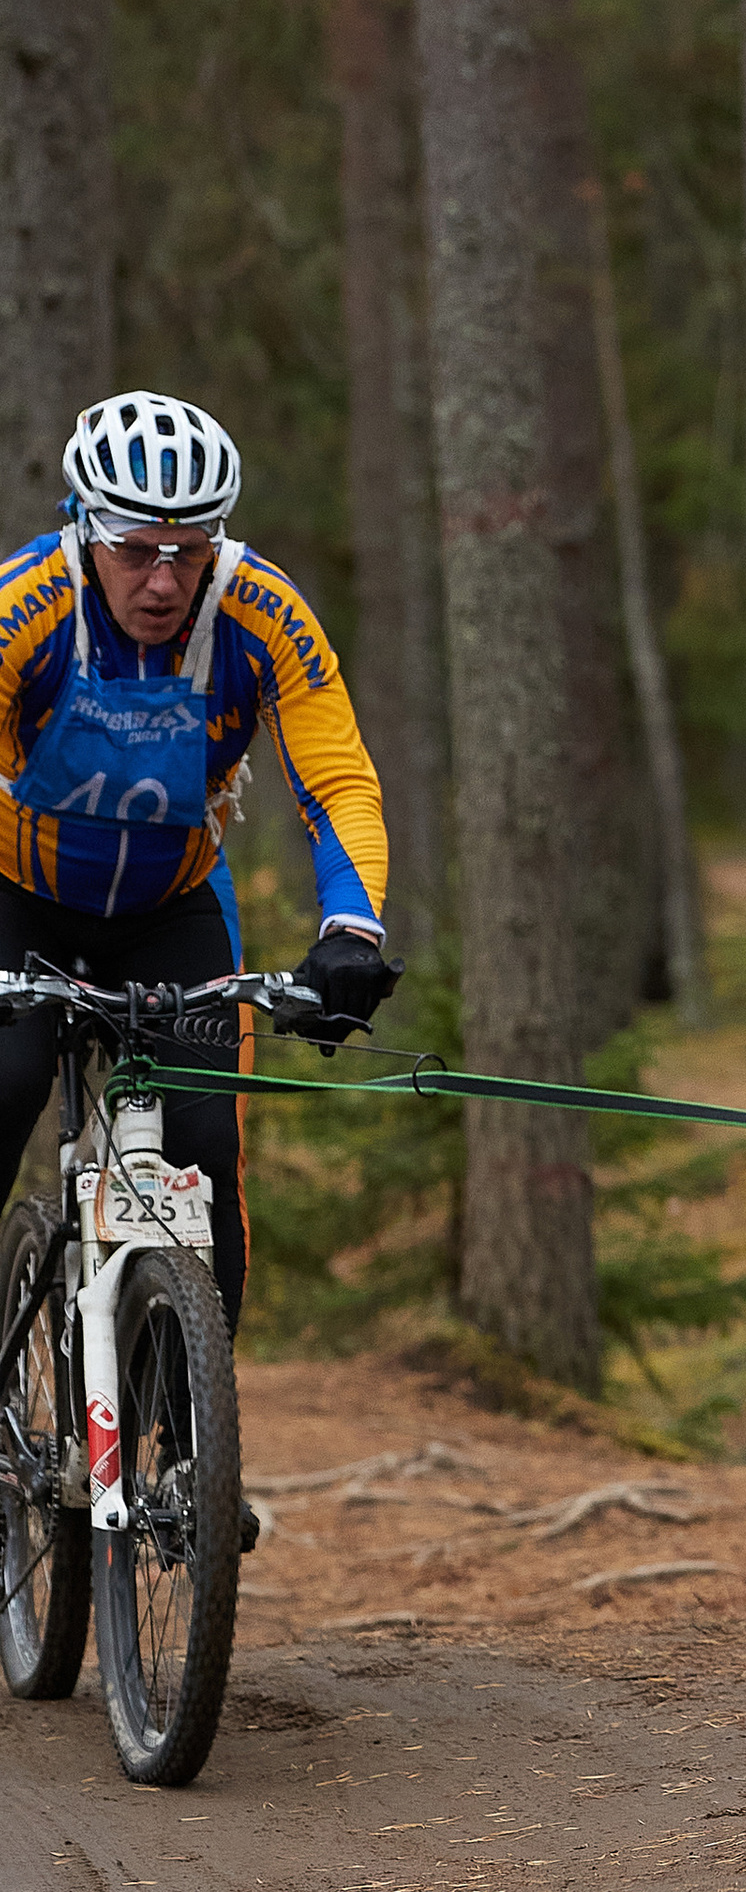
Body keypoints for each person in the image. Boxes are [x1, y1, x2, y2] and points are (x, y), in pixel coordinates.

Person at [0, 390, 401, 1338]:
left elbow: (337, 778)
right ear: (86, 529)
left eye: (189, 550)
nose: (163, 581)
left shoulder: (261, 613)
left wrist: (351, 929)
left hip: (172, 909)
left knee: (206, 1147)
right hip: (17, 899)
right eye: (137, 550)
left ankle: (191, 1464)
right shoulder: (25, 605)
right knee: (6, 1087)